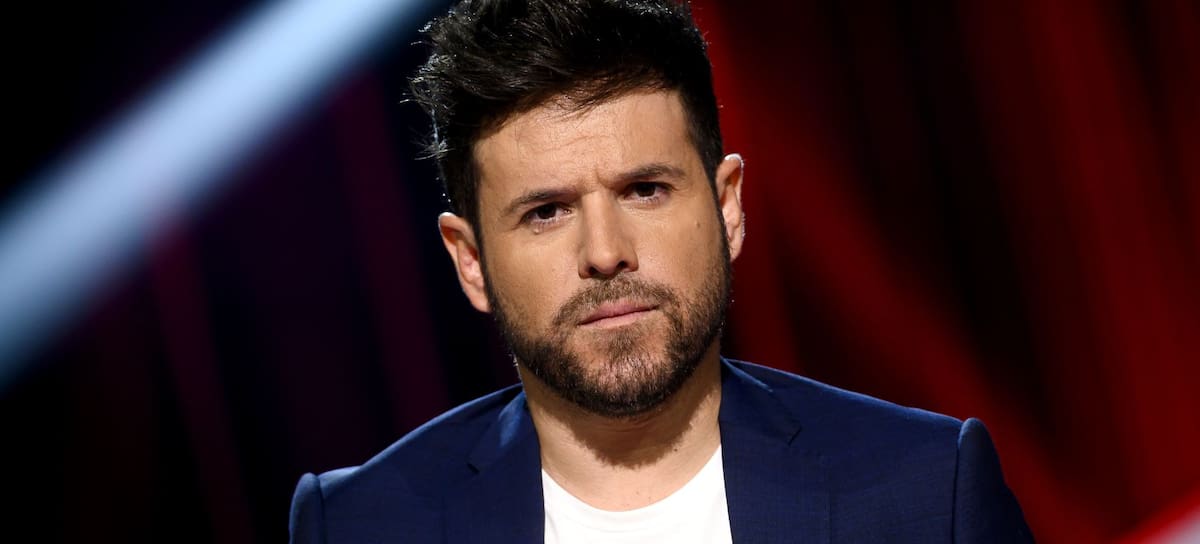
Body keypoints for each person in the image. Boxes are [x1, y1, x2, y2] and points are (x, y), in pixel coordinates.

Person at [289, 0, 1034, 541]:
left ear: (727, 206)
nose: (605, 251)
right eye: (546, 211)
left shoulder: (929, 493)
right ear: (472, 261)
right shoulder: (360, 525)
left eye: (645, 190)